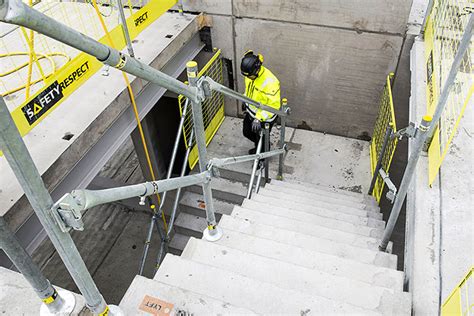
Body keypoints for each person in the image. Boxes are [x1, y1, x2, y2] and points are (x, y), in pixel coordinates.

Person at [240, 50, 281, 154]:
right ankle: (260, 146)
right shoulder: (250, 75)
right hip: (252, 113)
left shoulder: (270, 82)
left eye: (250, 76)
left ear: (257, 69)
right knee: (247, 132)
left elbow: (273, 106)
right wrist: (245, 99)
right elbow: (249, 90)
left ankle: (262, 157)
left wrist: (259, 118)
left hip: (265, 117)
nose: (248, 78)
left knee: (261, 137)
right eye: (247, 76)